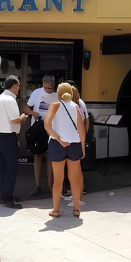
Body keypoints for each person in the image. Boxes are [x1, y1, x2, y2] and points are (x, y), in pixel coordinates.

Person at [43, 83, 85, 218]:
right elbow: (81, 130)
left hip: (57, 144)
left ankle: (56, 210)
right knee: (74, 179)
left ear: (58, 94)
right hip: (75, 144)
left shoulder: (55, 105)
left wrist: (59, 139)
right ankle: (77, 209)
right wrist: (83, 148)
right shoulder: (76, 107)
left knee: (58, 179)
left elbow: (47, 125)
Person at [0, 75, 28, 209]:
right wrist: (23, 116)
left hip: (0, 137)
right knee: (10, 168)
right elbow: (14, 120)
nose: (19, 88)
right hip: (8, 138)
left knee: (3, 168)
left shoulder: (0, 98)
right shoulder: (9, 100)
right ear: (14, 85)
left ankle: (5, 194)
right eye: (19, 85)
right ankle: (7, 198)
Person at [23, 74, 57, 196]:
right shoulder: (36, 93)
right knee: (37, 155)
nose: (48, 91)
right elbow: (26, 107)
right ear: (43, 84)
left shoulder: (57, 96)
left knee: (50, 156)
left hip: (51, 128)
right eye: (46, 88)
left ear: (54, 86)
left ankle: (50, 185)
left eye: (50, 88)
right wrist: (32, 113)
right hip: (37, 127)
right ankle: (37, 185)